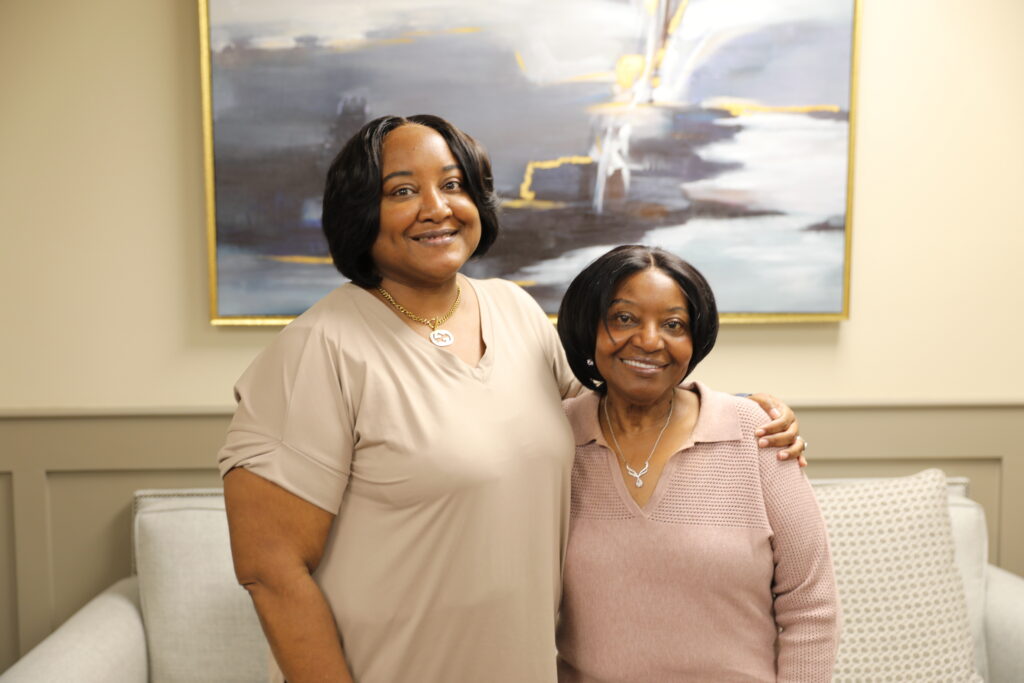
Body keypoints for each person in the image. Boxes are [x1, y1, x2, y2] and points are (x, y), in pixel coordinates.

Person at [217, 115, 805, 683]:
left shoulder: (514, 310)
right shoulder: (316, 349)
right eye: (403, 190)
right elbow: (270, 570)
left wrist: (742, 410)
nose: (437, 207)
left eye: (453, 184)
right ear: (360, 211)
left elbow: (617, 411)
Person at [555, 245, 839, 682]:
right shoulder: (555, 439)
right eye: (624, 318)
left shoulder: (755, 433)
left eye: (673, 324)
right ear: (587, 329)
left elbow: (811, 604)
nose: (650, 341)